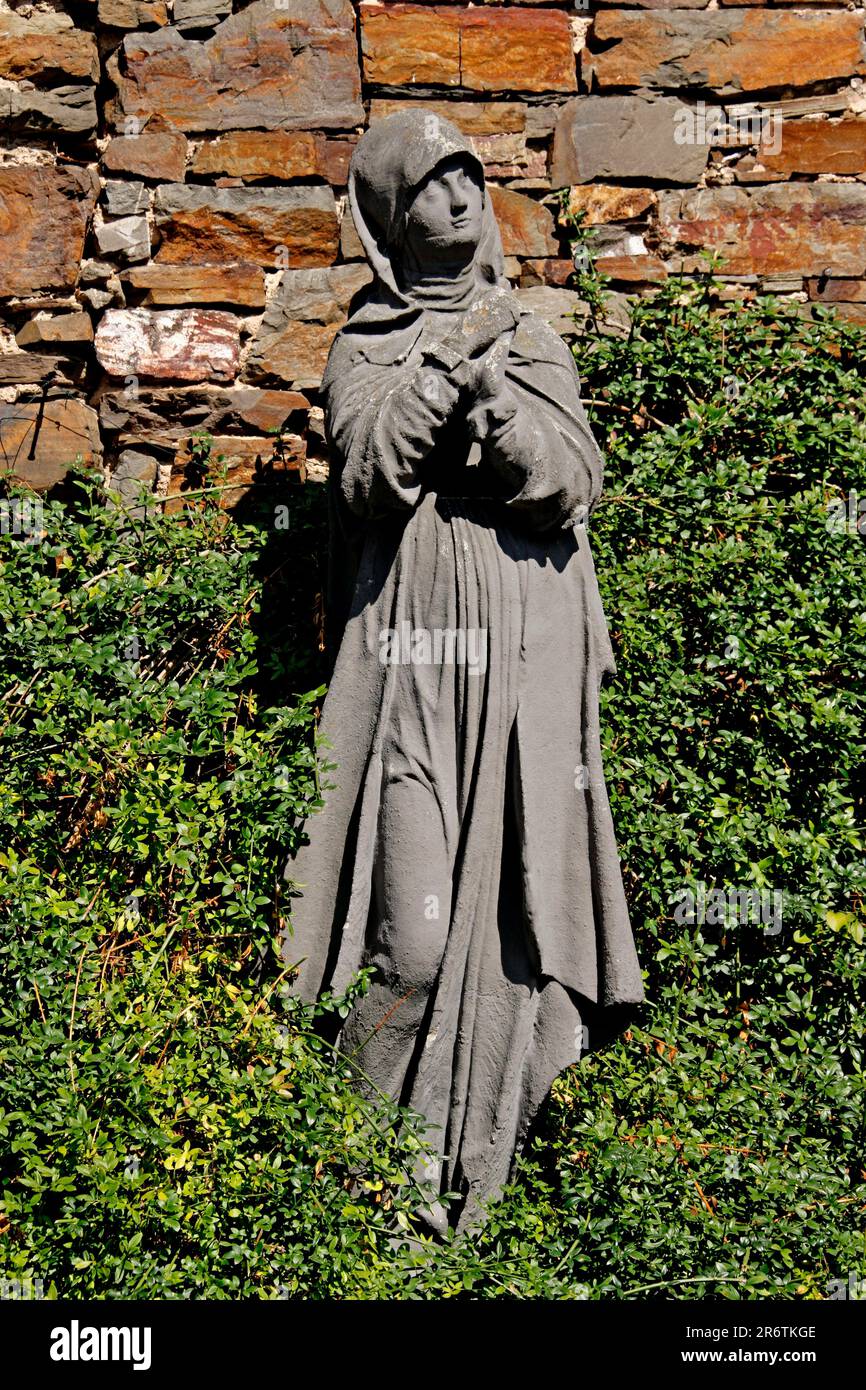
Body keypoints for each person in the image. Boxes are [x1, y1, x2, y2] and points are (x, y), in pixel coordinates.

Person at [281, 109, 644, 1235]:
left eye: (467, 180)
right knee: (417, 939)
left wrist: (503, 417)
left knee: (515, 937)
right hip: (411, 672)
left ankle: (462, 1197)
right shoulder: (365, 344)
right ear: (391, 217)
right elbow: (361, 481)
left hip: (521, 675)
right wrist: (437, 381)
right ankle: (351, 1180)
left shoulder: (528, 333)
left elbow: (572, 478)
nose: (457, 200)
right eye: (430, 186)